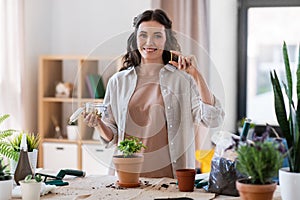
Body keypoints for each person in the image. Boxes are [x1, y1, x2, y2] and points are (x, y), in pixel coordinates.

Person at [84, 9, 224, 178]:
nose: (149, 42)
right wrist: (98, 123)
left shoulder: (182, 80)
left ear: (167, 40)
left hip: (170, 178)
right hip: (126, 176)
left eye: (157, 35)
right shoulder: (118, 81)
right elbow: (112, 137)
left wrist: (196, 75)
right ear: (136, 39)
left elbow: (213, 119)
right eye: (143, 35)